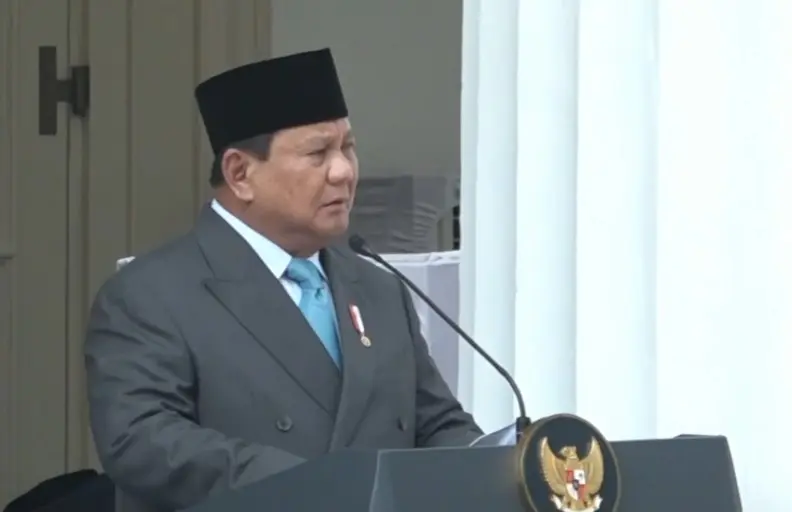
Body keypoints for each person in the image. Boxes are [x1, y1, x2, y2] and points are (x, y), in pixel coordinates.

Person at [84, 48, 482, 512]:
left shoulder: (378, 287)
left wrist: (502, 466)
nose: (344, 171)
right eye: (318, 153)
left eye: (347, 147)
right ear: (240, 174)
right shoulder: (150, 294)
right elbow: (141, 442)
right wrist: (310, 486)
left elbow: (436, 424)